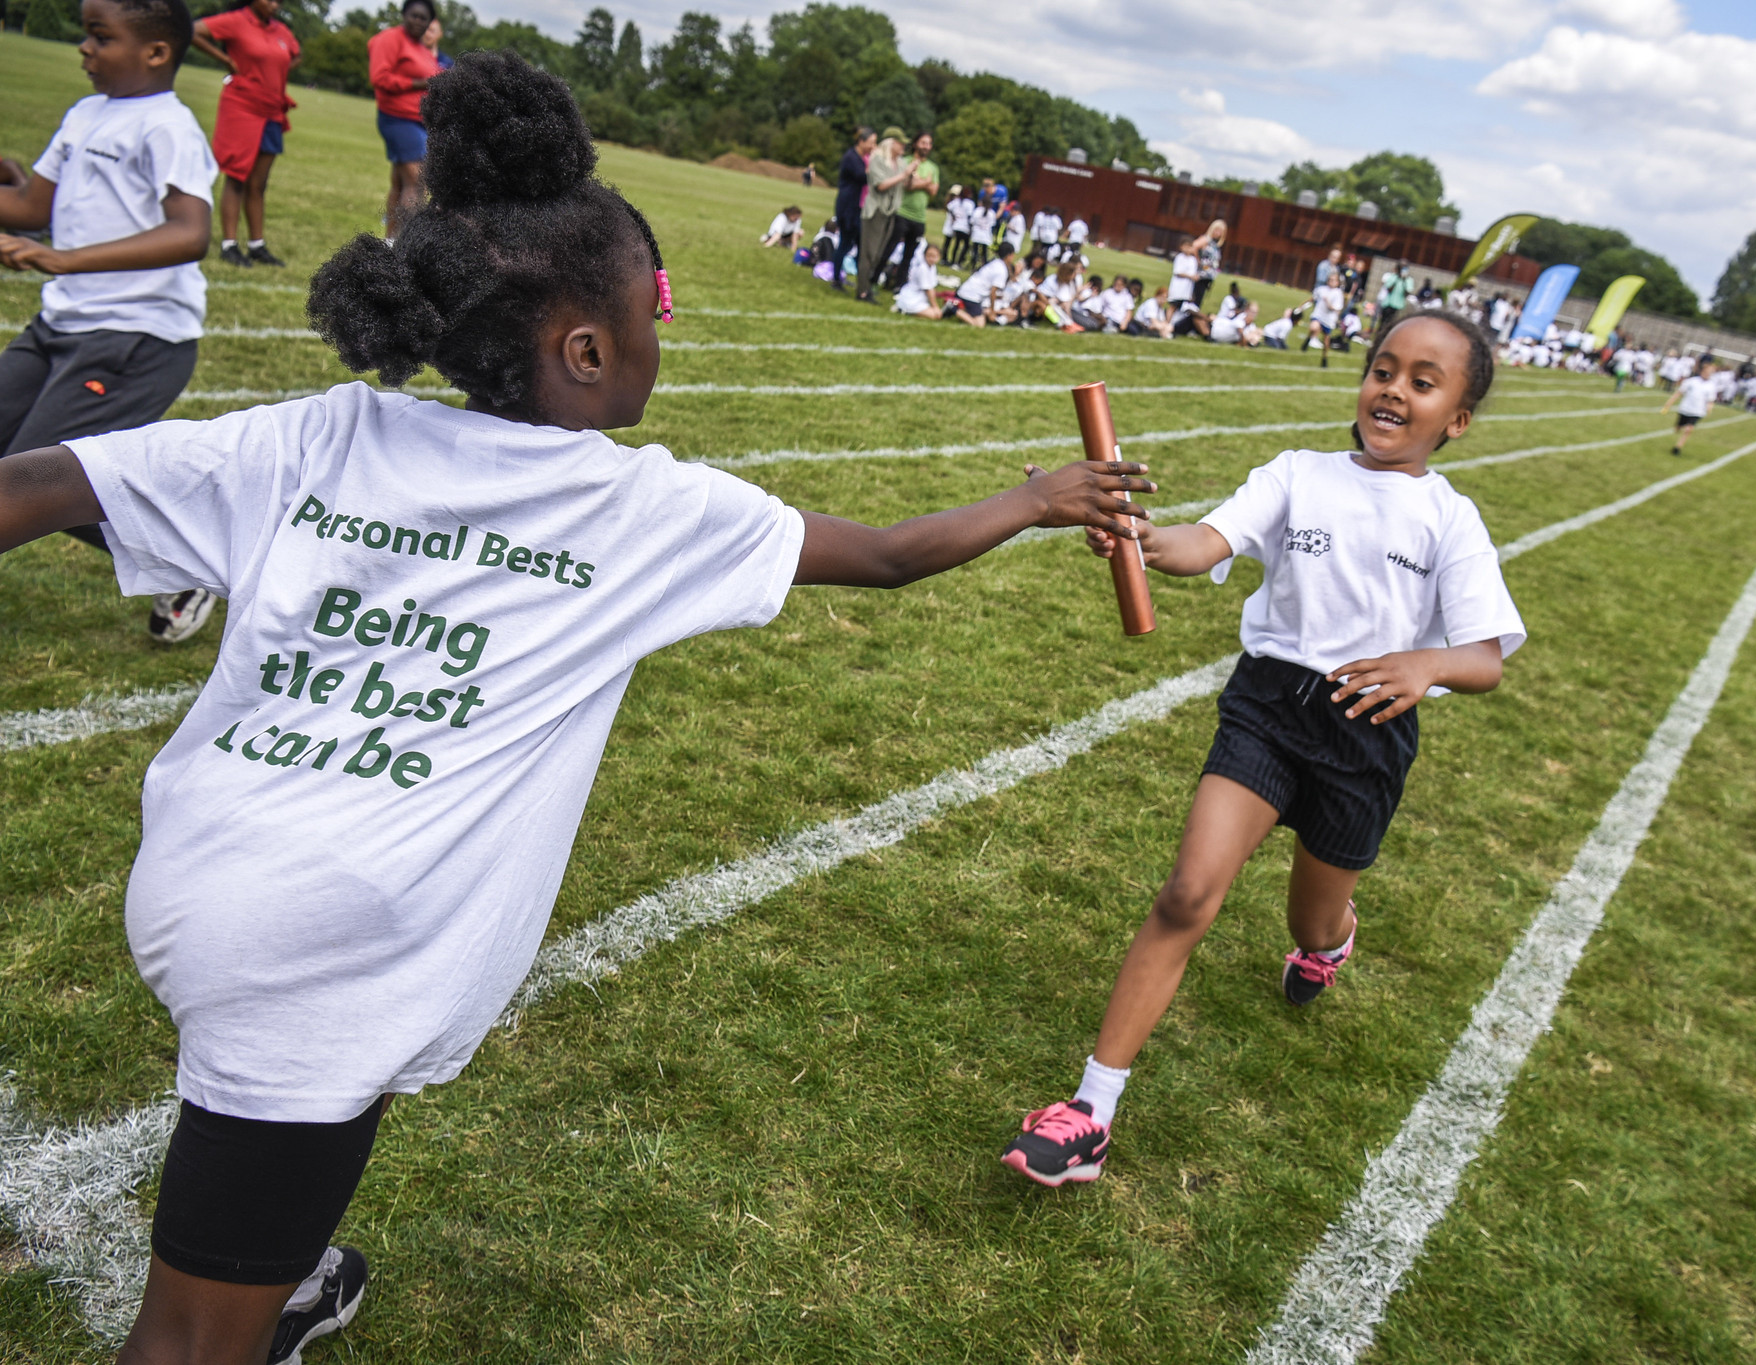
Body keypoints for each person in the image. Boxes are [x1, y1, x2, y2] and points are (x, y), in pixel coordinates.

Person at [0, 52, 1157, 1362]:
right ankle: (246, 1305)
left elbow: (36, 482)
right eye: (657, 312)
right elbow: (887, 554)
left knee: (293, 1154)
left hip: (219, 864)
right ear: (589, 346)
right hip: (330, 943)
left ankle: (283, 1268)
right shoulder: (640, 509)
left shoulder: (316, 436)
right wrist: (1034, 499)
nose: (663, 336)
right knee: (187, 1341)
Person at [998, 310, 1524, 1186]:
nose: (1393, 389)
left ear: (1456, 420)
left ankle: (1329, 941)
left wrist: (1422, 663)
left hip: (1366, 735)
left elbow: (1483, 659)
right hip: (1269, 708)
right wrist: (1131, 535)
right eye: (1382, 369)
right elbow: (1200, 542)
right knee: (1186, 893)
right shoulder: (1295, 474)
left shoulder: (1450, 519)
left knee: (1309, 919)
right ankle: (1090, 1110)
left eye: (1422, 382)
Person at [0, 0, 220, 644]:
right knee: (24, 476)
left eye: (101, 36)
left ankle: (191, 565)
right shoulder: (85, 113)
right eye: (87, 35)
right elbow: (30, 203)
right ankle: (185, 559)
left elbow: (190, 233)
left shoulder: (167, 127)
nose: (84, 48)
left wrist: (62, 257)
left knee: (28, 480)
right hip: (58, 327)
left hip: (136, 338)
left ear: (156, 52)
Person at [189, 0, 298, 267]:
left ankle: (256, 245)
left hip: (272, 111)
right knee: (237, 177)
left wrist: (273, 70)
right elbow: (192, 31)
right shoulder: (235, 21)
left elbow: (295, 53)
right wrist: (225, 59)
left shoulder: (281, 30)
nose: (275, 4)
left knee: (258, 183)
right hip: (242, 108)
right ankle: (229, 244)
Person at [367, 0, 437, 241]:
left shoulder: (422, 50)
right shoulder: (390, 39)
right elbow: (380, 77)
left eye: (423, 18)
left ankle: (390, 243)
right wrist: (419, 83)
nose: (418, 21)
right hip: (398, 119)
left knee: (400, 182)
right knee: (417, 182)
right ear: (404, 14)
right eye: (414, 16)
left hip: (418, 122)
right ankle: (404, 243)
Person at [855, 127, 911, 302]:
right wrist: (904, 175)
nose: (903, 147)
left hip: (891, 211)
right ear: (891, 143)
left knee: (879, 254)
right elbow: (880, 186)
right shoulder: (878, 159)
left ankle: (869, 286)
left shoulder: (901, 162)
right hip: (876, 211)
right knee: (869, 253)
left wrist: (910, 177)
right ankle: (862, 291)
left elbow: (905, 185)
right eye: (900, 143)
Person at [881, 130, 936, 292]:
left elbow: (933, 191)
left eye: (929, 143)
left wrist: (918, 182)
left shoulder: (933, 167)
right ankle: (875, 276)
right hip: (901, 213)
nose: (926, 146)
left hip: (919, 218)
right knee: (889, 248)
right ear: (915, 144)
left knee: (909, 255)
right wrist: (925, 183)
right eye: (923, 142)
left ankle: (899, 285)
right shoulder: (903, 161)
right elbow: (906, 185)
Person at [829, 127, 873, 289]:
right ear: (861, 141)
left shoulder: (861, 158)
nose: (873, 147)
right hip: (848, 209)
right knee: (845, 244)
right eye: (871, 143)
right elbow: (863, 177)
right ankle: (836, 279)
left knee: (860, 245)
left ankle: (862, 282)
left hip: (857, 208)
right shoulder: (851, 158)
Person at [1661, 359, 1716, 456]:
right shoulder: (1691, 381)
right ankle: (1679, 427)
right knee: (1678, 428)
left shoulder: (1711, 386)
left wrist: (1709, 409)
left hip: (1698, 411)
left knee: (1689, 429)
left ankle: (1678, 447)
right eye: (1706, 372)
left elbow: (1710, 400)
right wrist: (1669, 403)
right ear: (1701, 371)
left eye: (1709, 373)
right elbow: (1679, 393)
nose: (1707, 374)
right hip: (1685, 408)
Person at [951, 241, 1012, 327]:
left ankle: (959, 308)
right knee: (980, 324)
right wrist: (992, 311)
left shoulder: (994, 262)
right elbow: (993, 291)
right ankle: (953, 309)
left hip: (966, 290)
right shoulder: (1002, 270)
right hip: (972, 296)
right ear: (1009, 255)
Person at [893, 241, 943, 319]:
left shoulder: (932, 267)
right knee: (935, 315)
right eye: (929, 256)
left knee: (937, 314)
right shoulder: (922, 268)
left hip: (919, 299)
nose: (932, 259)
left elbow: (932, 287)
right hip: (911, 299)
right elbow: (928, 290)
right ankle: (904, 309)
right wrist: (935, 307)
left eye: (935, 256)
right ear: (924, 255)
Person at [1192, 218, 1224, 307]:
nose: (1218, 233)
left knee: (1199, 300)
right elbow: (1194, 246)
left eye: (1221, 231)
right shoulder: (1206, 239)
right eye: (1216, 230)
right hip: (1201, 275)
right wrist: (1198, 261)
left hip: (1208, 276)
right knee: (1195, 300)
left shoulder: (1215, 244)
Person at [941, 183, 970, 265]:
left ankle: (949, 259)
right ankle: (945, 258)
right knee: (948, 242)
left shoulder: (956, 202)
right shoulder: (955, 202)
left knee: (954, 243)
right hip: (952, 224)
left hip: (956, 225)